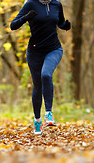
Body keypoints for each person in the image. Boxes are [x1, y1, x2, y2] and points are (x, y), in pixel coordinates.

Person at [10, 0, 71, 135]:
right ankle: (37, 120)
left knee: (46, 74)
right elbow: (13, 25)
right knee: (37, 86)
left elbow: (59, 22)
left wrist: (65, 25)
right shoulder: (30, 4)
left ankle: (49, 113)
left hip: (54, 49)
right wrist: (26, 18)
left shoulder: (57, 4)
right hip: (34, 52)